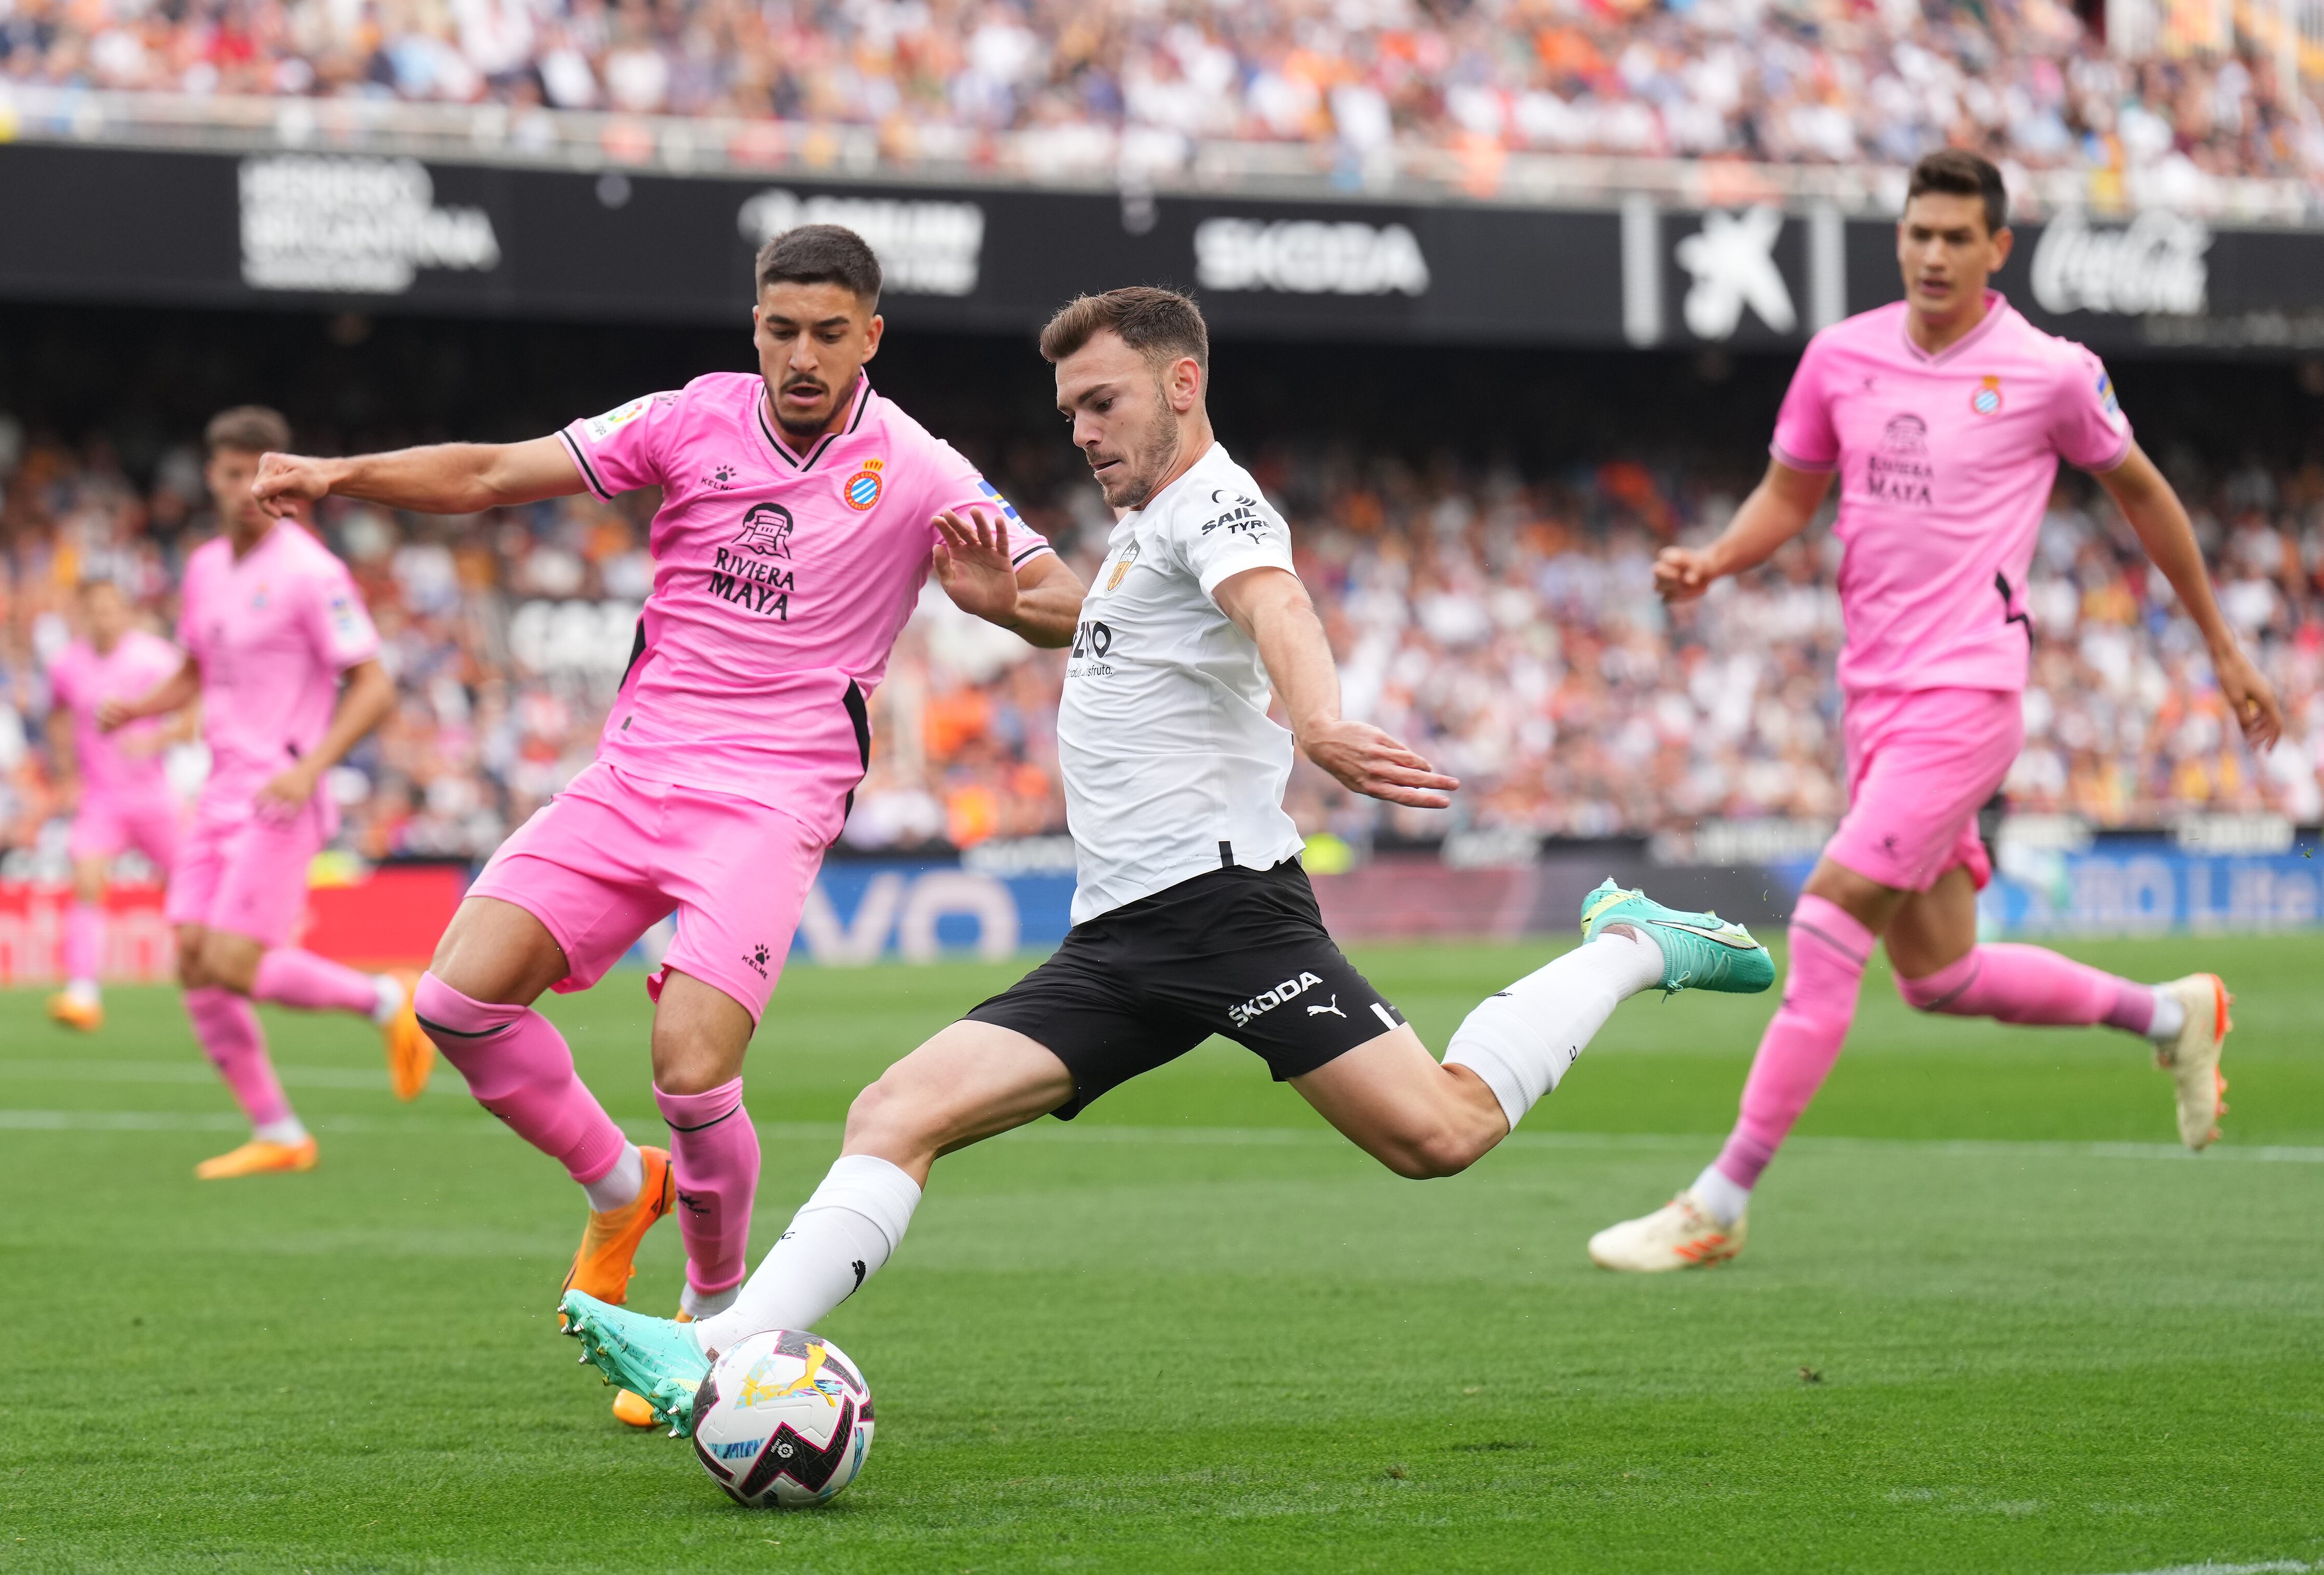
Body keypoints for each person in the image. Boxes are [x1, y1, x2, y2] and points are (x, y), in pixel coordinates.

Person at [557, 286, 1779, 1431]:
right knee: (896, 1109)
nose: (1083, 432)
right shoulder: (1143, 533)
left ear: (1181, 383)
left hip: (1226, 913)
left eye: (1104, 403)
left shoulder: (1220, 505)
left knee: (1439, 1134)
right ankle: (715, 1353)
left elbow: (1278, 609)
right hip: (1122, 938)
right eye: (1071, 413)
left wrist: (1315, 719)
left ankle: (1629, 942)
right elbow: (1136, 649)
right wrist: (1003, 605)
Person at [247, 225, 1085, 1349]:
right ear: (755, 326)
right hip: (636, 769)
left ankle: (709, 1308)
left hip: (773, 793)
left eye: (829, 333)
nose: (801, 354)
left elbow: (1067, 599)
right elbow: (497, 472)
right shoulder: (688, 416)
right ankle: (614, 1180)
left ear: (870, 337)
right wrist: (339, 474)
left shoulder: (919, 464)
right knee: (454, 1001)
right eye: (781, 328)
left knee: (691, 1067)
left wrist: (998, 601)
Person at [1586, 149, 2285, 1274]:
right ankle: (2173, 1014)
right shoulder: (1839, 356)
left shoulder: (2049, 373)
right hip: (1873, 703)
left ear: (1997, 249)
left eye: (1959, 236)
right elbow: (1789, 492)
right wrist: (1716, 560)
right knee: (1940, 976)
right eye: (1919, 232)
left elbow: (2144, 492)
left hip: (1968, 695)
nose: (1933, 253)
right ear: (1899, 237)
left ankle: (1718, 1197)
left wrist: (2218, 642)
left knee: (1825, 916)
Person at [99, 407, 436, 1180]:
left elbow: (376, 685)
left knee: (234, 959)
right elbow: (193, 668)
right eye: (227, 472)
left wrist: (311, 765)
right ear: (210, 478)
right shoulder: (207, 567)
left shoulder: (312, 571)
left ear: (281, 478)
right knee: (190, 956)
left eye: (259, 471)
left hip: (280, 790)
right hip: (219, 789)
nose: (242, 487)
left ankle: (388, 999)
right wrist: (140, 706)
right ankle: (280, 1130)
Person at [44, 574, 189, 1033]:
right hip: (101, 799)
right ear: (84, 614)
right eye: (95, 609)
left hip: (153, 797)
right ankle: (83, 992)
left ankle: (209, 978)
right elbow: (57, 715)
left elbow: (197, 703)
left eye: (111, 607)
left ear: (124, 611)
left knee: (187, 894)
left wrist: (163, 737)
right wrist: (67, 773)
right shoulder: (68, 664)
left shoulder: (155, 656)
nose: (103, 617)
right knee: (87, 879)